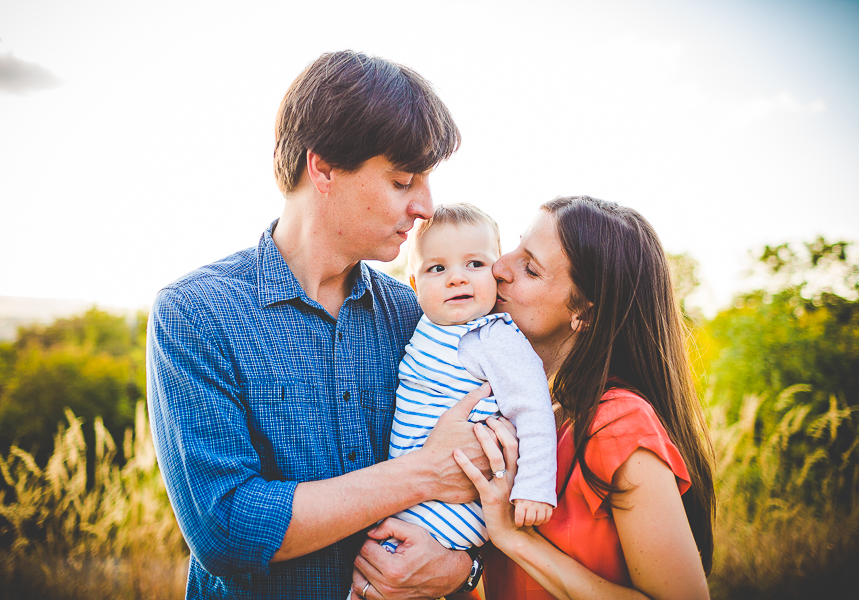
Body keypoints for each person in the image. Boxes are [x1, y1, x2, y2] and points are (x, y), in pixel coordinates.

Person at [147, 50, 487, 600]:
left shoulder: (419, 317)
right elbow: (226, 528)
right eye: (403, 182)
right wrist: (423, 472)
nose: (426, 206)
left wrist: (460, 569)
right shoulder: (195, 314)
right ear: (323, 168)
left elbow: (495, 482)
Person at [453, 196, 716, 599]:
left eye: (530, 268)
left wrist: (515, 537)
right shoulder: (539, 417)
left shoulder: (618, 426)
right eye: (516, 246)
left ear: (584, 312)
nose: (499, 267)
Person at [383, 203, 557, 551]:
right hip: (407, 495)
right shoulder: (426, 324)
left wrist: (535, 488)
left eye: (475, 264)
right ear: (415, 284)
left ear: (495, 272)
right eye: (437, 268)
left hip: (455, 507)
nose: (457, 277)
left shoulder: (493, 336)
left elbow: (534, 409)